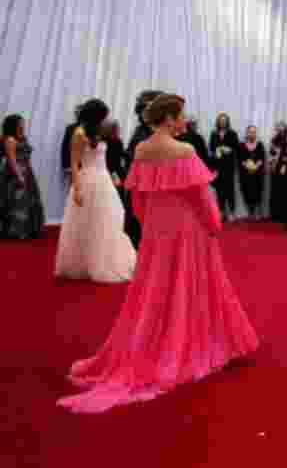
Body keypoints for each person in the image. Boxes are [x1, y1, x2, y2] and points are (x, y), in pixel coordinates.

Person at [58, 94, 259, 414]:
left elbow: (136, 198)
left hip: (156, 230)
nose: (184, 120)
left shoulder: (141, 150)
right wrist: (214, 224)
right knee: (189, 285)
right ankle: (190, 344)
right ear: (168, 118)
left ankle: (160, 342)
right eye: (180, 116)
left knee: (155, 289)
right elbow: (201, 198)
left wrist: (149, 225)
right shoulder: (184, 151)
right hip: (189, 231)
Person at [54, 99, 137, 283]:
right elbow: (74, 163)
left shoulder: (99, 131)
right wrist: (77, 189)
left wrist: (113, 175)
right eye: (104, 115)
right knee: (88, 222)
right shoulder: (79, 133)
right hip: (87, 180)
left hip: (103, 180)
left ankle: (104, 258)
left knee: (108, 220)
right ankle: (87, 262)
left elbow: (106, 158)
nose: (106, 118)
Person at [124, 90, 164, 248]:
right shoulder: (139, 131)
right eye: (143, 110)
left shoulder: (161, 132)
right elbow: (131, 157)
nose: (146, 113)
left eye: (150, 110)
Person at [1, 114, 45, 239]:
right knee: (17, 202)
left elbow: (27, 157)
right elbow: (11, 160)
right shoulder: (10, 140)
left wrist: (28, 173)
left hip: (27, 172)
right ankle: (15, 231)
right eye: (20, 123)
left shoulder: (22, 138)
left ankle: (28, 229)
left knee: (29, 200)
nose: (23, 125)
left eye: (23, 123)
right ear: (13, 125)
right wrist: (19, 176)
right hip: (14, 173)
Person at [210, 113, 240, 219]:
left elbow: (237, 148)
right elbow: (211, 148)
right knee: (219, 190)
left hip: (229, 166)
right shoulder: (214, 134)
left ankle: (231, 212)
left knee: (229, 189)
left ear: (227, 122)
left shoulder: (232, 133)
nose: (222, 122)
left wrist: (229, 150)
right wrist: (216, 151)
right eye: (221, 120)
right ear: (218, 122)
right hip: (218, 166)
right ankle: (221, 212)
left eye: (224, 120)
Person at [237, 125, 266, 219]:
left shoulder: (260, 144)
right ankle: (250, 212)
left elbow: (262, 158)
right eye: (250, 132)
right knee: (246, 192)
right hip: (245, 174)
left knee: (257, 192)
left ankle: (257, 212)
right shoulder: (241, 145)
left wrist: (255, 167)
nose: (252, 134)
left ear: (256, 134)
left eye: (254, 132)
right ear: (247, 133)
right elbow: (240, 159)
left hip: (257, 174)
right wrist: (247, 166)